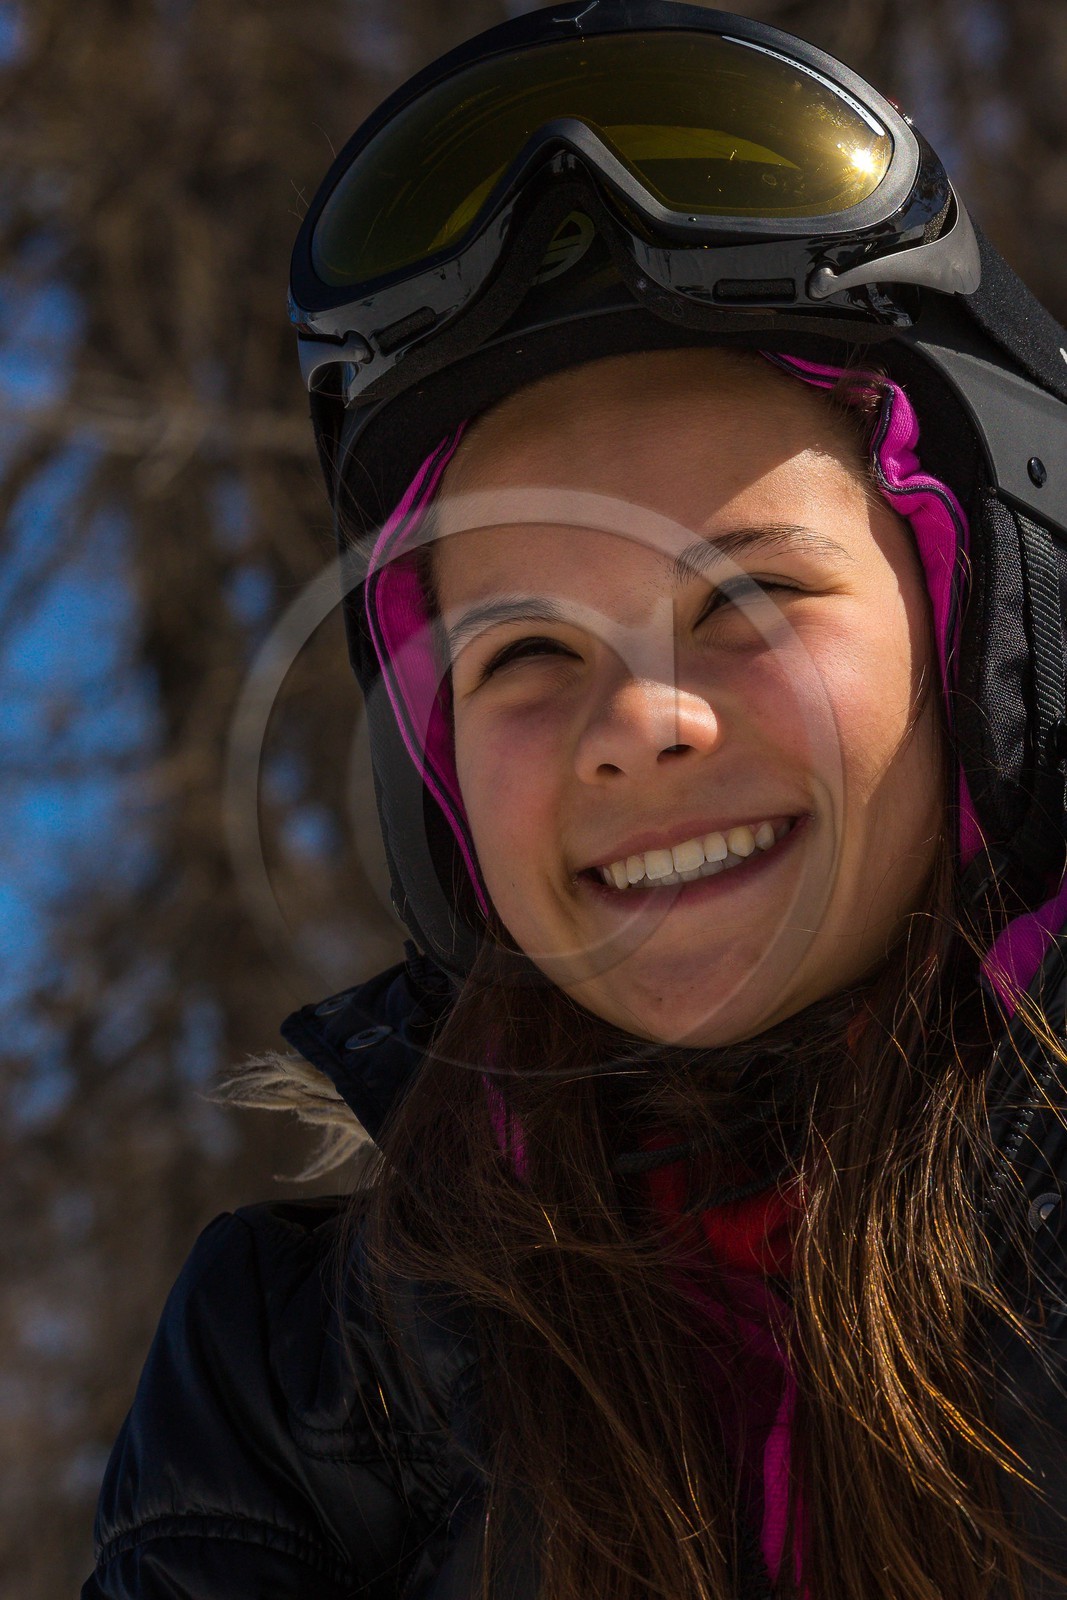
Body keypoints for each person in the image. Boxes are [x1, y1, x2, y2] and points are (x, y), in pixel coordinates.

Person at [82, 3, 1067, 1597]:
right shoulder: (302, 1383)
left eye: (747, 597)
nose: (638, 725)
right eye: (525, 649)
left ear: (980, 628)